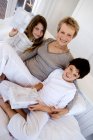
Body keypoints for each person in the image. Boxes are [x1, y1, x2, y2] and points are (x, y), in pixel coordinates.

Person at [0, 16, 80, 118]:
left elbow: (75, 88)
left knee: (3, 47)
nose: (64, 37)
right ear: (58, 31)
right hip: (22, 70)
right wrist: (12, 62)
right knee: (4, 49)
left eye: (69, 35)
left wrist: (66, 110)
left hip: (33, 81)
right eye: (62, 32)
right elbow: (30, 53)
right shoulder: (48, 41)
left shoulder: (68, 60)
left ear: (72, 38)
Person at [0, 58, 90, 140]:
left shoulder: (71, 90)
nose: (70, 74)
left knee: (28, 136)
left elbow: (57, 109)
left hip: (44, 108)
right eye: (71, 69)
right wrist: (31, 90)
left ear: (77, 78)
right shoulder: (58, 72)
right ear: (68, 65)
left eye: (74, 74)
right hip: (34, 96)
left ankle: (6, 106)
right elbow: (43, 84)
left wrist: (41, 107)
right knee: (3, 85)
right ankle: (21, 112)